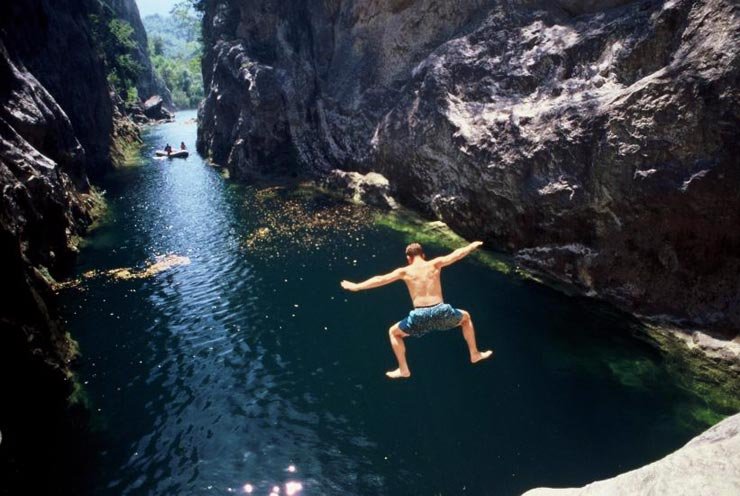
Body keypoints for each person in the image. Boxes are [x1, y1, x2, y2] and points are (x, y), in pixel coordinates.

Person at [341, 241, 493, 379]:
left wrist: (357, 286)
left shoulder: (404, 271)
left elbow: (380, 279)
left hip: (420, 317)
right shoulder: (435, 263)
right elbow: (456, 255)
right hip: (441, 312)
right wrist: (471, 246)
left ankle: (403, 369)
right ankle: (474, 353)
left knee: (393, 332)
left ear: (408, 257)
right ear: (423, 255)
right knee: (465, 318)